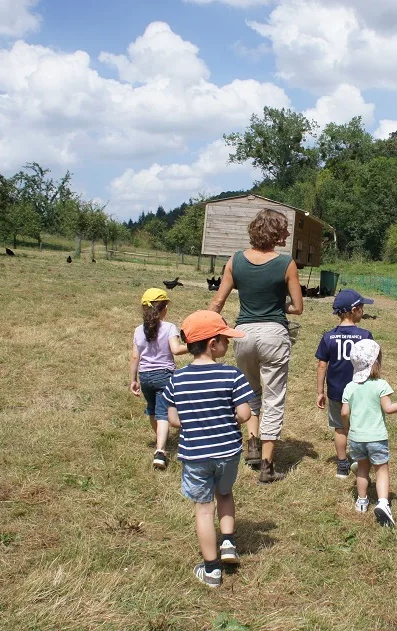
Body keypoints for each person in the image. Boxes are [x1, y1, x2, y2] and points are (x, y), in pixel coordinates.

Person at [208, 208, 304, 484]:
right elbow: (297, 308)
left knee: (250, 390)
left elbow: (217, 302)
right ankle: (267, 465)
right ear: (275, 233)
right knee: (274, 397)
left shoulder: (235, 260)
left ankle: (251, 442)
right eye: (284, 230)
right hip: (274, 334)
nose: (287, 234)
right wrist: (278, 305)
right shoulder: (286, 263)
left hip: (243, 333)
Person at [161, 310, 253, 587]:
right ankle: (228, 543)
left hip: (196, 455)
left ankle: (211, 569)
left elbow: (173, 419)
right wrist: (227, 417)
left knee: (203, 508)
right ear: (213, 344)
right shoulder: (232, 375)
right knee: (224, 493)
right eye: (225, 339)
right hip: (228, 452)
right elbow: (245, 414)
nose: (228, 343)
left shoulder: (176, 380)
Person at [341, 339, 397, 527]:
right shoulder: (380, 384)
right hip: (376, 438)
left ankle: (362, 501)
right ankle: (383, 503)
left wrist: (347, 426)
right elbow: (389, 408)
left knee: (362, 469)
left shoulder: (349, 387)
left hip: (356, 438)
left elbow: (344, 412)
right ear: (375, 362)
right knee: (381, 471)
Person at [315, 289, 375, 478]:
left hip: (336, 391)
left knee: (340, 428)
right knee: (359, 425)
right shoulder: (365, 335)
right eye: (362, 307)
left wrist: (320, 391)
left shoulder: (328, 337)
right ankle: (358, 460)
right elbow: (373, 363)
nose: (363, 311)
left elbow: (322, 366)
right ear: (354, 310)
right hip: (360, 391)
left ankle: (342, 464)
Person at [128, 288, 188, 470]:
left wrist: (133, 379)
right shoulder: (169, 327)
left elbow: (134, 357)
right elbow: (176, 350)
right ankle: (160, 451)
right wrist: (194, 346)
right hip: (165, 376)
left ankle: (159, 438)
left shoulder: (138, 330)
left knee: (153, 410)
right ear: (163, 309)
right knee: (163, 413)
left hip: (145, 376)